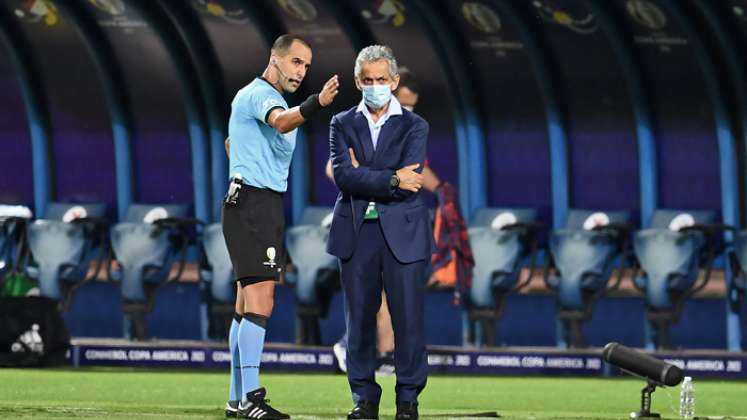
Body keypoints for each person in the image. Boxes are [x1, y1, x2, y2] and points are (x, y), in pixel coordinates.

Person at [222, 34, 339, 419]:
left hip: (259, 204)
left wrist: (240, 153)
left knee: (244, 307)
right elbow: (283, 121)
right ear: (275, 59)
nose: (301, 72)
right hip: (253, 204)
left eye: (306, 66)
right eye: (295, 62)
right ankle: (252, 399)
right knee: (261, 301)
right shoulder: (261, 95)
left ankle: (237, 399)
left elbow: (230, 142)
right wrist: (316, 103)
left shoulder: (257, 99)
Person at [327, 45, 434, 420]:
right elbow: (342, 175)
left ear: (394, 81)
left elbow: (412, 180)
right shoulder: (341, 122)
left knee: (408, 321)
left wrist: (364, 173)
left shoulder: (415, 125)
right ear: (358, 81)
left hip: (403, 231)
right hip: (357, 231)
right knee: (359, 320)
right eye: (368, 80)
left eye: (381, 80)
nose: (375, 86)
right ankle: (364, 399)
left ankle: (408, 400)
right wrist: (389, 176)